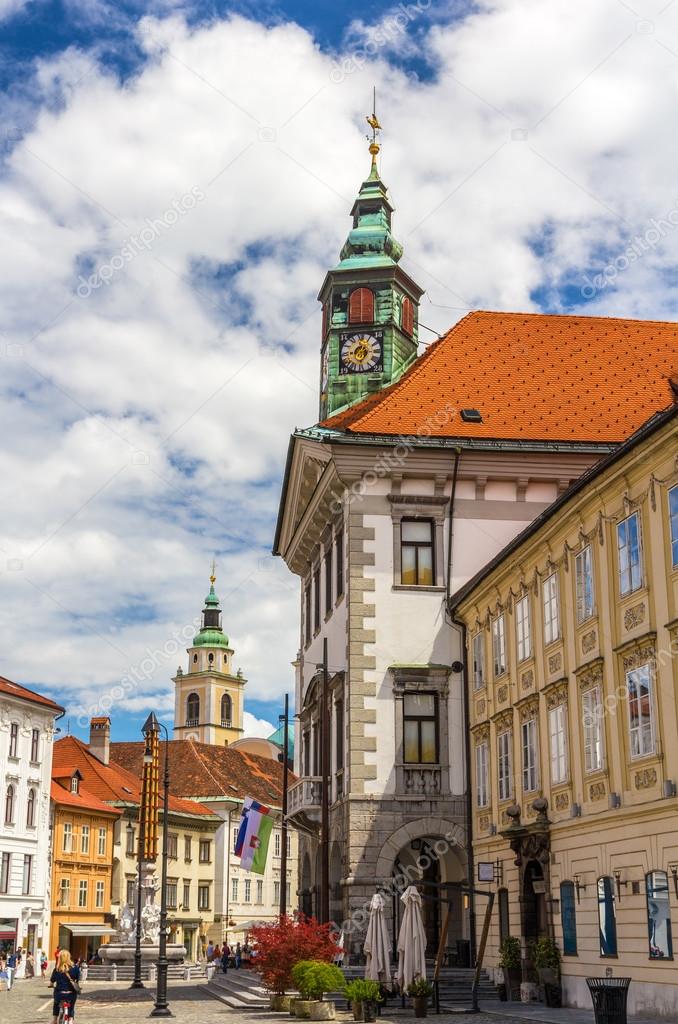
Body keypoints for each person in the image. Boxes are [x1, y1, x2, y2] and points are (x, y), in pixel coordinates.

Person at [49, 950, 80, 1023]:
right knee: (71, 1007)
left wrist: (51, 985)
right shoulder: (75, 968)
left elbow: (51, 981)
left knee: (56, 1004)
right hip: (71, 994)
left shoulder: (57, 969)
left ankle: (54, 1020)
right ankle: (71, 1020)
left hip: (59, 994)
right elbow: (77, 979)